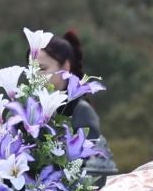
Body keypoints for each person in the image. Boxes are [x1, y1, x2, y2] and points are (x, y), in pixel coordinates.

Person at [29, 28, 117, 176]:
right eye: (32, 69)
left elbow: (94, 167)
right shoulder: (30, 109)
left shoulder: (81, 111)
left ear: (65, 67)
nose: (35, 76)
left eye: (42, 69)